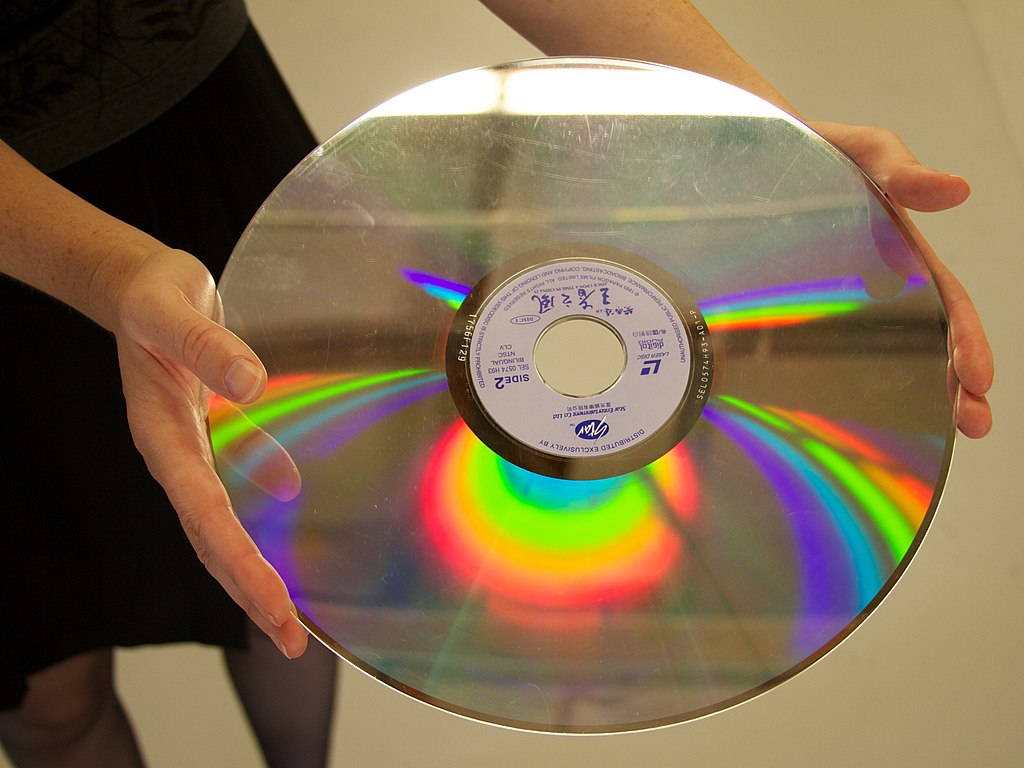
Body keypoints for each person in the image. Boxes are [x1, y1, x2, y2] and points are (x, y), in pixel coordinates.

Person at [0, 0, 994, 765]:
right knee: (53, 686)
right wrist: (104, 272)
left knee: (291, 563)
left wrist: (775, 142)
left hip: (203, 134)